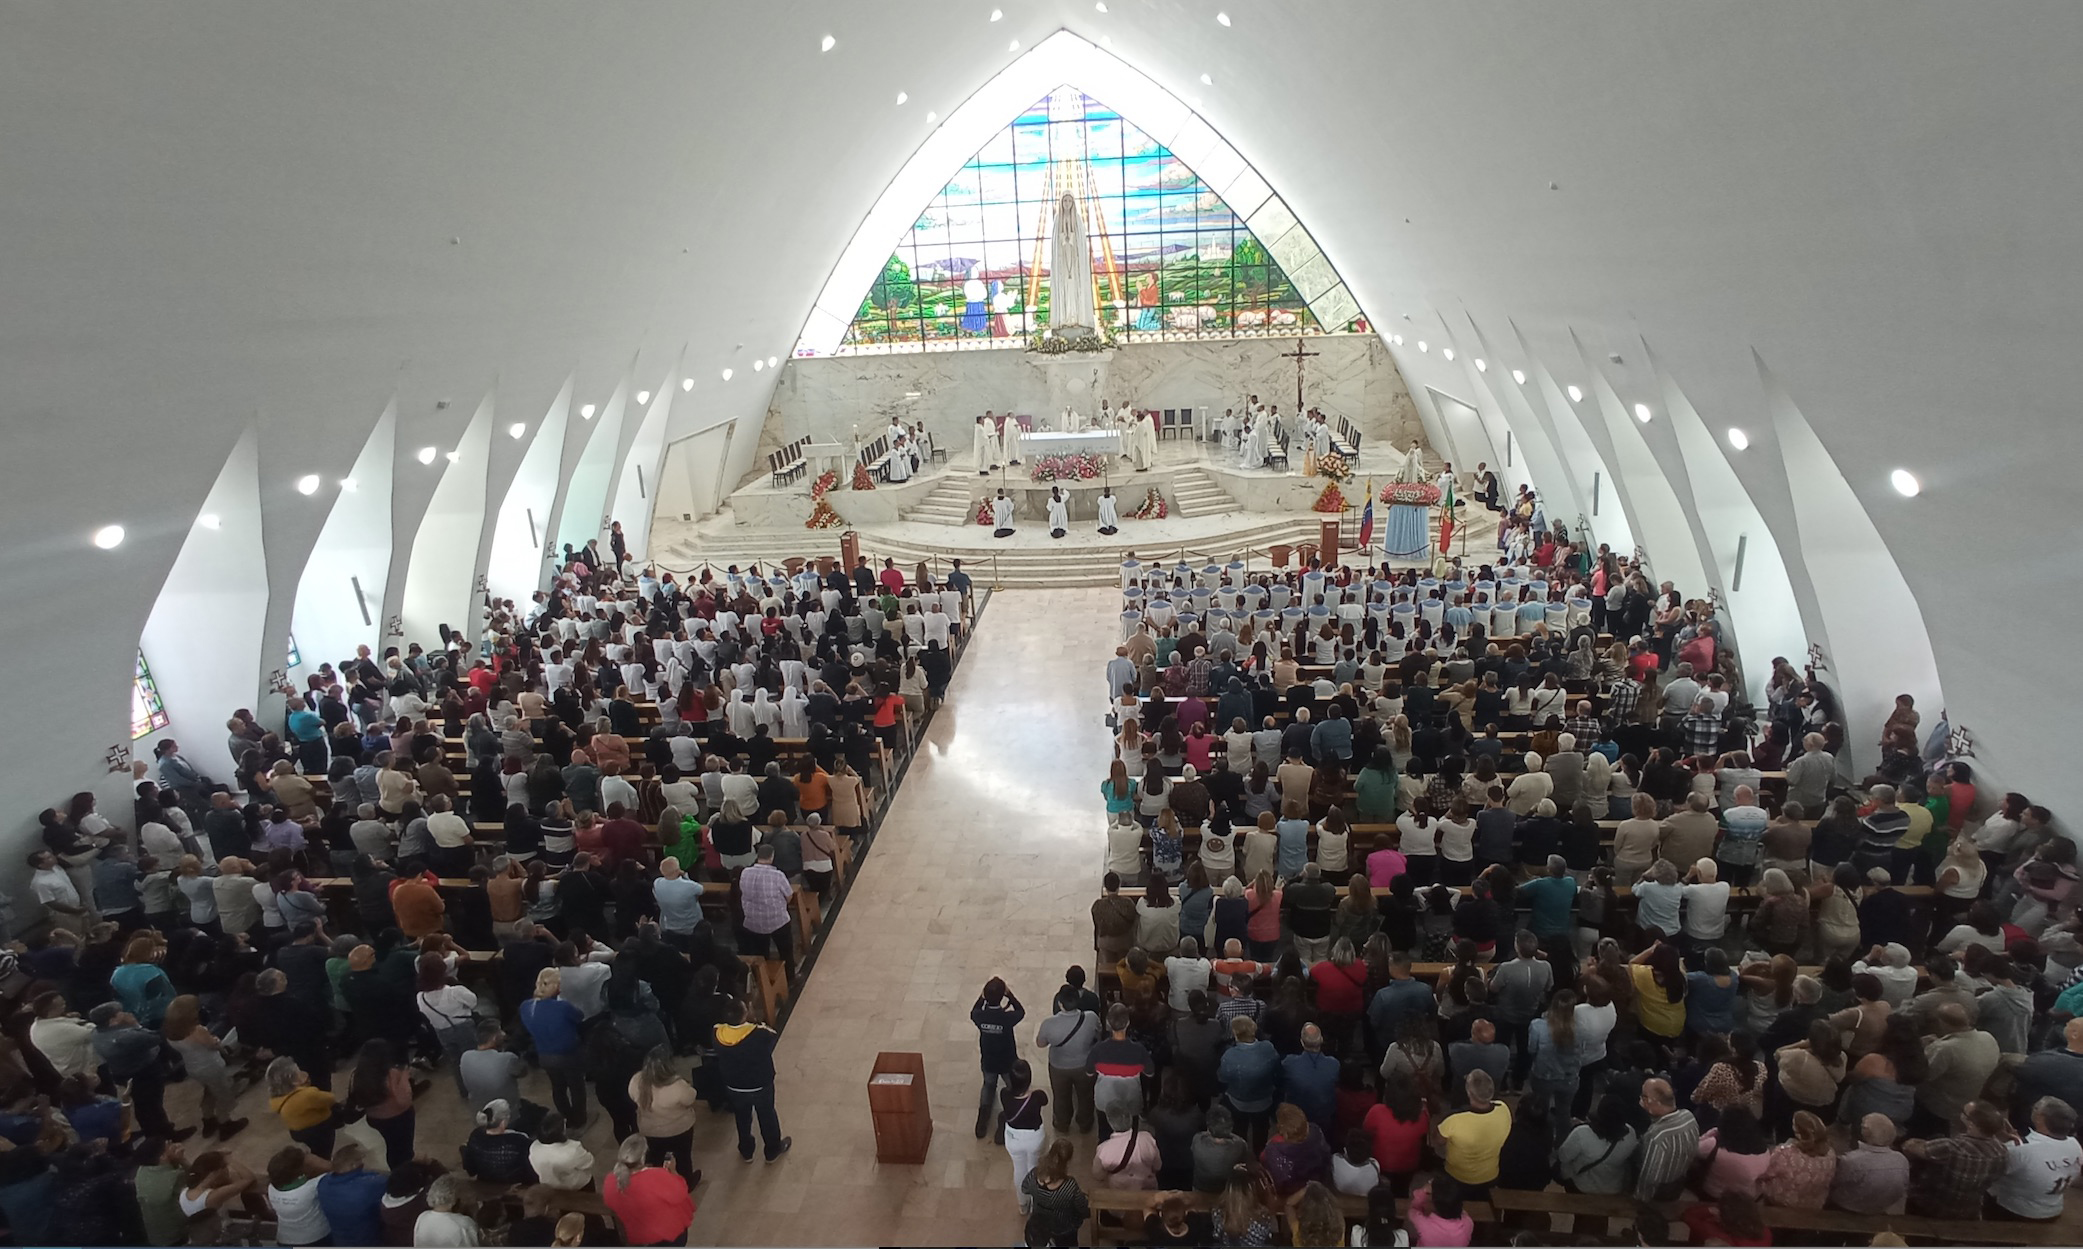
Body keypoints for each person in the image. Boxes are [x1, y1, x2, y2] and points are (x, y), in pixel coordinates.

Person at [714, 997, 791, 1163]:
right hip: (759, 1085)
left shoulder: (718, 1033)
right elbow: (773, 1037)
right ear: (745, 1014)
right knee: (767, 1115)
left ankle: (746, 1150)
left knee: (742, 1117)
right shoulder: (759, 1033)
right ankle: (772, 1150)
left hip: (734, 1085)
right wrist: (755, 1021)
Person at [1989, 1095, 2083, 1221]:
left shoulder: (2022, 1150)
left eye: (2036, 1108)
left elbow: (1990, 1171)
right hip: (2053, 1209)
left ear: (2040, 1118)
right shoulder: (2075, 1145)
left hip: (2018, 1211)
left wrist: (1997, 1142)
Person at [520, 967, 588, 1128]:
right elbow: (579, 1017)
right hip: (568, 1054)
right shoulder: (562, 1007)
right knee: (576, 1087)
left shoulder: (526, 1006)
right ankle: (579, 1119)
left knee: (558, 1087)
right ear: (556, 986)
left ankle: (566, 1117)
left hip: (544, 1055)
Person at [1431, 1070, 1510, 1201]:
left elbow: (1437, 1141)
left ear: (1469, 1093)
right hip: (1490, 1175)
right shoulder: (1504, 1109)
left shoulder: (1455, 1120)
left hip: (1457, 1176)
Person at [631, 1046, 702, 1187]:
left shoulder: (636, 1080)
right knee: (683, 1157)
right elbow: (690, 1098)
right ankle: (686, 1182)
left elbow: (633, 1097)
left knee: (655, 1156)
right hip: (678, 1130)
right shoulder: (676, 1085)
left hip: (649, 1130)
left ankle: (660, 1182)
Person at [971, 976, 1026, 1140]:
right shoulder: (1006, 1018)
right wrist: (1011, 996)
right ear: (1002, 995)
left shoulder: (980, 1016)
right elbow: (1021, 1011)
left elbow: (974, 1011)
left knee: (988, 1086)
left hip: (988, 1060)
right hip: (1007, 1061)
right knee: (1012, 1088)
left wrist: (982, 997)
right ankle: (1011, 1115)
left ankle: (982, 1120)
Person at [1830, 1113, 1909, 1215]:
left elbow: (1835, 1182)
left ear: (1865, 1133)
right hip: (1881, 1208)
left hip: (1848, 1207)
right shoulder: (1901, 1159)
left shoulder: (1851, 1160)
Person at [1634, 1077, 1698, 1202]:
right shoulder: (1689, 1116)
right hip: (1679, 1182)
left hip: (1660, 1192)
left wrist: (1640, 1198)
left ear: (1652, 1101)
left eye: (1643, 1096)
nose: (1641, 1100)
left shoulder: (1657, 1136)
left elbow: (1650, 1178)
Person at [1021, 1139, 1089, 1247]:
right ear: (1068, 1160)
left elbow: (1024, 1188)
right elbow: (1083, 1208)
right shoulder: (1069, 1186)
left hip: (1041, 1225)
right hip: (1064, 1227)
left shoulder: (1034, 1175)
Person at [264, 1144, 332, 1248]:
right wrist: (314, 1160)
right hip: (316, 1239)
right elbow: (337, 1169)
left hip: (285, 1239)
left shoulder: (272, 1187)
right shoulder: (313, 1186)